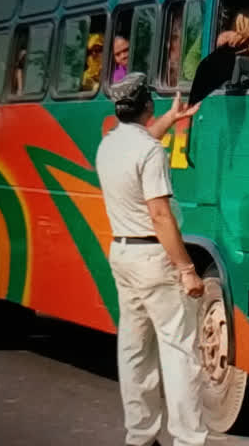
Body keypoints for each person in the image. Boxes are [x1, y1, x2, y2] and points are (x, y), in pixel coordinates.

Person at [96, 72, 207, 446]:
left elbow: (141, 142)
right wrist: (187, 269)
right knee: (179, 352)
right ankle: (188, 439)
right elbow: (160, 215)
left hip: (122, 253)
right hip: (153, 258)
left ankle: (140, 436)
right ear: (147, 105)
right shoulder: (150, 152)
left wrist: (170, 120)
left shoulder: (109, 145)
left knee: (134, 348)